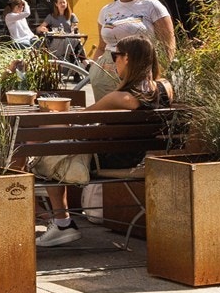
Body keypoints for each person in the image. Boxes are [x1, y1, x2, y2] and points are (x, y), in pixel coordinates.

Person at [34, 35, 174, 247]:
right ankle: (58, 217)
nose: (112, 60)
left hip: (107, 161)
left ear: (127, 59)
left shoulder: (120, 98)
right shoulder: (165, 88)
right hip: (139, 159)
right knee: (54, 146)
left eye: (116, 55)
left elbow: (77, 121)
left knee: (47, 148)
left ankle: (62, 221)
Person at [91, 0, 176, 99]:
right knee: (106, 116)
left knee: (135, 114)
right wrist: (93, 69)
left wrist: (160, 71)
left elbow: (168, 44)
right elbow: (101, 45)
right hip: (105, 71)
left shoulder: (151, 6)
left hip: (139, 69)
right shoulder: (106, 10)